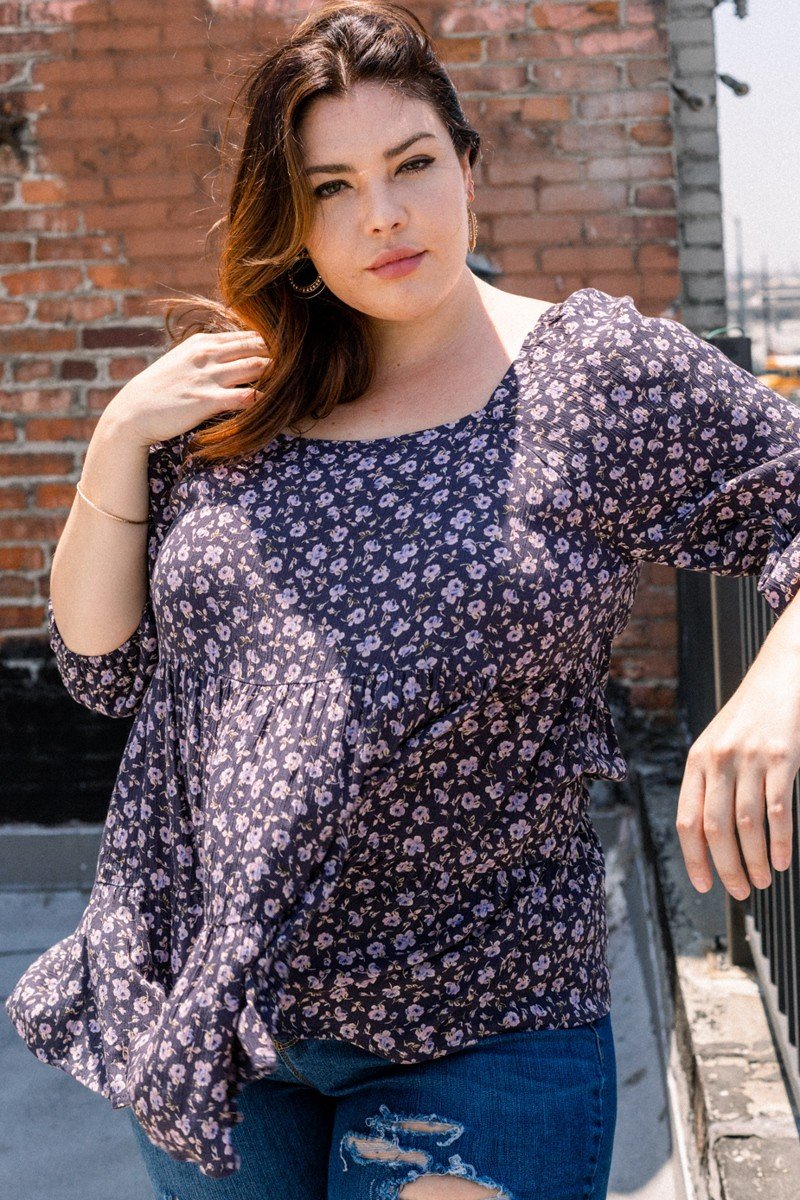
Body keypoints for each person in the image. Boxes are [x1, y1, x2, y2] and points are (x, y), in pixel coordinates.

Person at [6, 2, 800, 1198]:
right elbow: (101, 664)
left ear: (466, 167)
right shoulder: (239, 392)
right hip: (214, 1018)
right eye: (330, 188)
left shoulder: (588, 375)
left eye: (411, 164)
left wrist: (774, 690)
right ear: (291, 220)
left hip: (474, 1013)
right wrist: (116, 442)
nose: (380, 214)